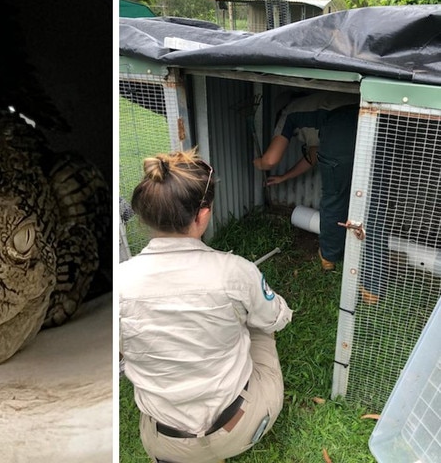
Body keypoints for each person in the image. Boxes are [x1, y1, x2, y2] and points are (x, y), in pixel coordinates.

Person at [119, 149, 293, 463]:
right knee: (262, 325)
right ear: (203, 214)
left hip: (163, 442)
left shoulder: (120, 282)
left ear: (146, 216)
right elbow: (279, 318)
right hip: (238, 428)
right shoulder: (236, 271)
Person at [253, 91, 360, 271]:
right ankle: (371, 281)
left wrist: (258, 162)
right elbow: (313, 156)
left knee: (334, 198)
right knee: (373, 201)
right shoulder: (319, 105)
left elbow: (270, 160)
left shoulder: (289, 113)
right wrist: (283, 177)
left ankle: (329, 256)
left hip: (342, 123)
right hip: (373, 121)